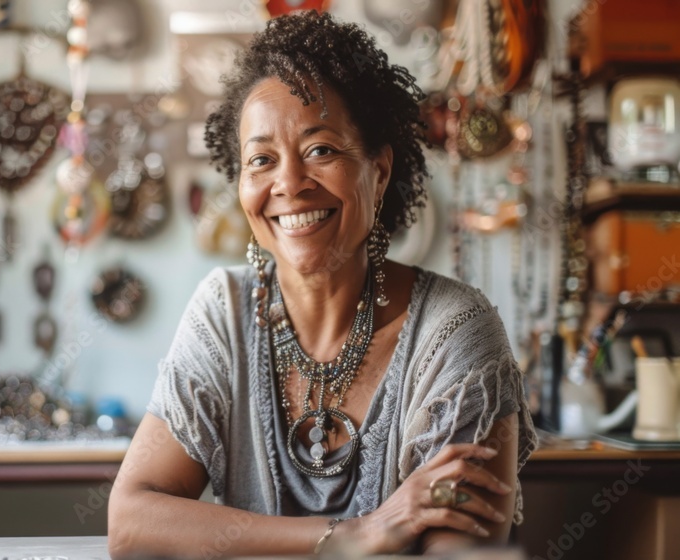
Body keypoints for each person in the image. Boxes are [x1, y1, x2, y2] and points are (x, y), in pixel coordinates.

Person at [108, 10, 537, 558]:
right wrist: (353, 536)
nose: (288, 183)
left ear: (379, 171)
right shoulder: (224, 309)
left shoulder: (454, 331)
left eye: (321, 150)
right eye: (261, 159)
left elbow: (458, 551)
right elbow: (131, 524)